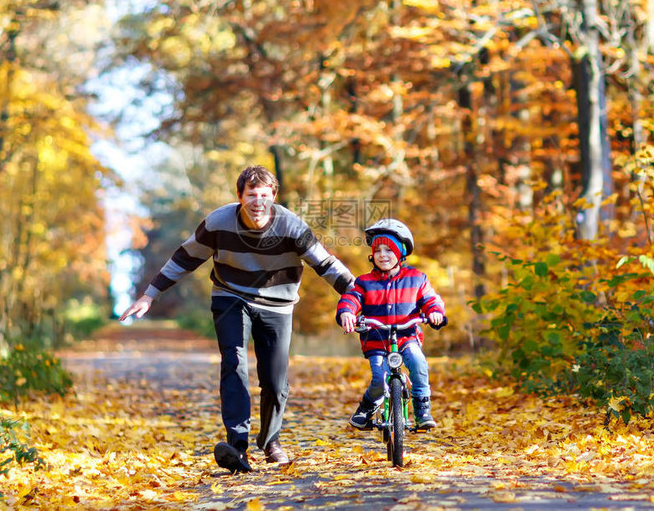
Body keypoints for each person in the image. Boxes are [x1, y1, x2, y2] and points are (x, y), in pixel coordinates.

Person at [119, 166, 354, 474]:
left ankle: (271, 442)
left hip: (279, 304)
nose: (258, 202)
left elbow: (326, 264)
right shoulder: (218, 222)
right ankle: (238, 446)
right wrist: (150, 294)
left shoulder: (291, 226)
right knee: (234, 361)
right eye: (251, 195)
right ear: (240, 197)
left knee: (275, 379)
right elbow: (186, 257)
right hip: (231, 296)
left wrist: (360, 294)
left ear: (274, 197)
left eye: (265, 195)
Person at [336, 218, 447, 431]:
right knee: (380, 378)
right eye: (378, 250)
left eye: (389, 250)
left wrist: (435, 312)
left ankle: (422, 409)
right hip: (377, 339)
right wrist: (347, 313)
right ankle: (367, 407)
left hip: (407, 336)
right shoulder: (364, 282)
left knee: (418, 363)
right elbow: (351, 298)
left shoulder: (416, 278)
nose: (383, 255)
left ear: (401, 253)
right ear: (372, 254)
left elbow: (430, 299)